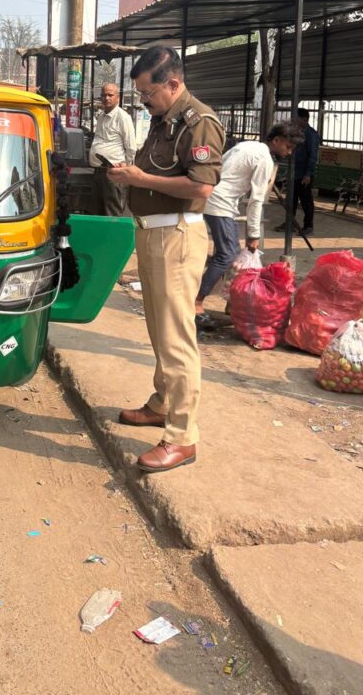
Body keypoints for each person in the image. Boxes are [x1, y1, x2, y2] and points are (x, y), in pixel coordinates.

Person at [107, 46, 224, 474]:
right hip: (153, 233)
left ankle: (182, 436)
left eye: (148, 93)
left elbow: (201, 187)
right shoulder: (164, 120)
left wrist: (140, 178)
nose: (144, 101)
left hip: (177, 236)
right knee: (159, 330)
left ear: (173, 84)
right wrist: (132, 175)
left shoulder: (199, 122)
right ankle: (162, 404)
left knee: (176, 339)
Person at [194, 122, 305, 331]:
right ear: (277, 140)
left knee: (231, 254)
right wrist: (253, 234)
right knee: (227, 255)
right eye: (288, 147)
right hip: (220, 203)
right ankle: (196, 303)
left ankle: (231, 304)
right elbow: (256, 200)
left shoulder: (248, 146)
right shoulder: (264, 159)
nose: (289, 152)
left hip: (215, 198)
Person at [89, 82, 136, 215]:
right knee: (97, 212)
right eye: (104, 95)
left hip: (114, 172)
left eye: (110, 95)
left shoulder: (123, 117)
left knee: (112, 213)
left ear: (117, 97)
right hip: (98, 170)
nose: (107, 98)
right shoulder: (101, 116)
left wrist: (124, 169)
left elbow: (131, 147)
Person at [276, 107, 318, 235]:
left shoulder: (311, 134)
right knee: (291, 200)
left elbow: (313, 156)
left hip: (304, 174)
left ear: (304, 119)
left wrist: (308, 174)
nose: (294, 121)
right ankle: (290, 223)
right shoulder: (296, 133)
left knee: (306, 201)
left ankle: (308, 226)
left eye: (296, 119)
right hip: (294, 172)